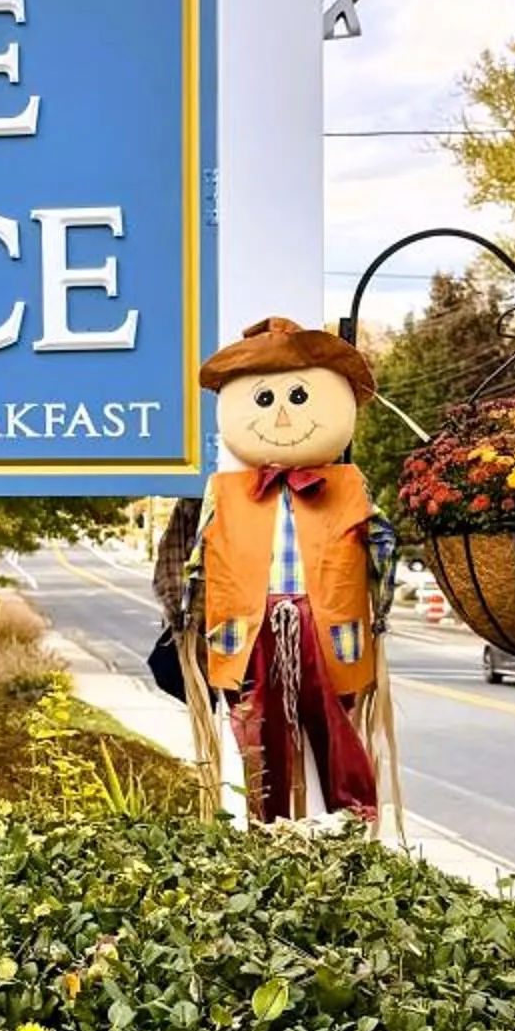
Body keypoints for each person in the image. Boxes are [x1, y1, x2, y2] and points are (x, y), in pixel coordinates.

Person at [153, 315, 394, 825]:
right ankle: (264, 821)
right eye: (266, 400)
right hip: (250, 625)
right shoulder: (221, 493)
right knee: (256, 724)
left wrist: (385, 602)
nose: (283, 417)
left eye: (298, 398)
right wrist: (185, 616)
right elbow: (192, 558)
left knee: (333, 717)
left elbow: (380, 546)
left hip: (327, 625)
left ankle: (353, 812)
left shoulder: (348, 487)